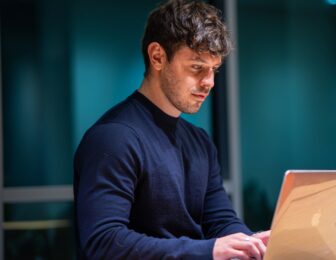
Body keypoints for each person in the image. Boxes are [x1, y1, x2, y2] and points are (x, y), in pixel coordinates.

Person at [73, 0, 270, 259]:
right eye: (197, 68)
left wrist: (250, 242)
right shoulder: (114, 138)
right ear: (157, 57)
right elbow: (104, 242)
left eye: (214, 70)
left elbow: (221, 221)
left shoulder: (199, 142)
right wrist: (207, 250)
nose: (209, 82)